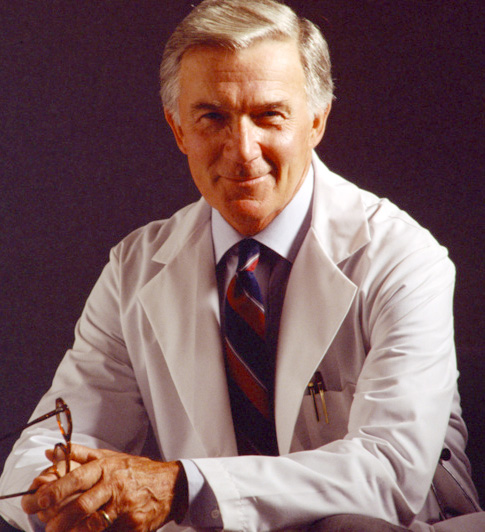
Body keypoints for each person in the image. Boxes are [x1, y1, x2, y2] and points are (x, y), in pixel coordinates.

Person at [0, 0, 482, 530]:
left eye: (269, 115)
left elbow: (389, 472)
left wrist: (183, 486)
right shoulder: (133, 268)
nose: (242, 150)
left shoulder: (402, 257)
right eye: (212, 118)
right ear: (179, 129)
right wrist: (58, 493)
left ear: (316, 120)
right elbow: (48, 444)